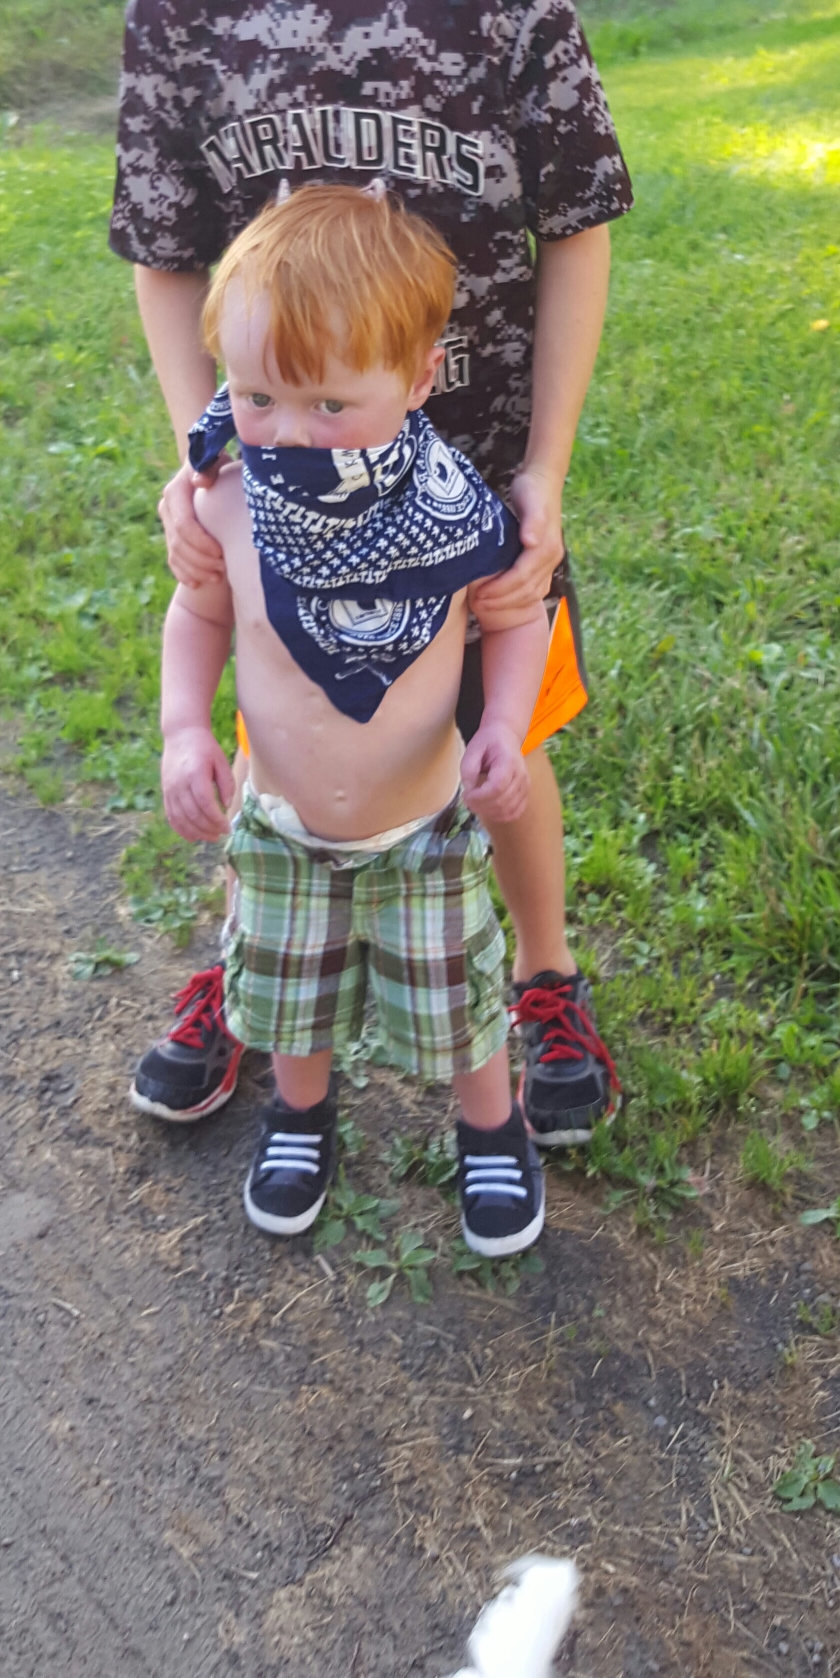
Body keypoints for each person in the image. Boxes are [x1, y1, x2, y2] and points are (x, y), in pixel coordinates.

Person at [112, 0, 632, 1150]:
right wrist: (200, 452)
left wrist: (541, 472)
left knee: (497, 744)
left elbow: (576, 229)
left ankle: (539, 976)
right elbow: (164, 258)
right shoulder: (185, 7)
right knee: (276, 729)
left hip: (464, 482)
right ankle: (254, 975)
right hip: (277, 479)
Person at [161, 183, 552, 1251]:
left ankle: (490, 1126)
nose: (290, 432)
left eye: (329, 404)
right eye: (257, 396)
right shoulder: (229, 501)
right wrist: (185, 728)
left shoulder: (454, 512)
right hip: (283, 830)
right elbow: (198, 615)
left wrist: (503, 727)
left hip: (423, 833)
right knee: (293, 993)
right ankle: (300, 1115)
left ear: (420, 378)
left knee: (457, 995)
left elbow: (516, 619)